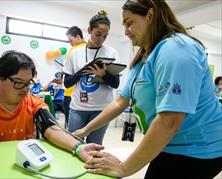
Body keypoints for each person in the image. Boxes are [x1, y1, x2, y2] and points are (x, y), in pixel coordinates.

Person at [73, 1, 222, 178]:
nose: (126, 32)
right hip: (171, 143)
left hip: (198, 148)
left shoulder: (176, 50)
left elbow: (169, 120)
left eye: (129, 23)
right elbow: (121, 101)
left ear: (150, 16)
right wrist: (85, 130)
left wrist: (124, 168)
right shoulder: (146, 55)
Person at [0, 50, 104, 163]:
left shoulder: (32, 102)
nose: (25, 89)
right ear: (0, 78)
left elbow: (50, 128)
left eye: (29, 83)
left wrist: (78, 147)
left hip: (22, 163)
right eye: (18, 82)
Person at [63, 10, 120, 145]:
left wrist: (104, 75)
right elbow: (67, 83)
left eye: (105, 36)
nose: (101, 39)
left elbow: (116, 83)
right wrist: (83, 71)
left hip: (102, 110)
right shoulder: (75, 53)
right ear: (89, 30)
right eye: (98, 34)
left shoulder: (111, 52)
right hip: (77, 108)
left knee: (94, 147)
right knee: (73, 145)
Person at [64, 26, 86, 129]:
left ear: (78, 37)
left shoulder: (73, 50)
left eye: (70, 40)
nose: (70, 43)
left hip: (71, 93)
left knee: (73, 132)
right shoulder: (91, 48)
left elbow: (68, 73)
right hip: (86, 93)